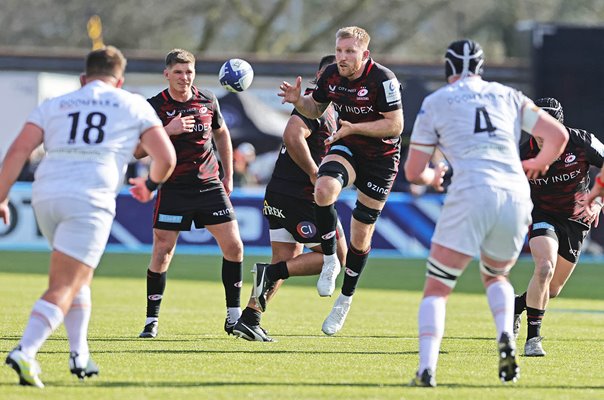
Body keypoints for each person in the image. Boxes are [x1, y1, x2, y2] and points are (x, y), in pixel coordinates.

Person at [0, 46, 176, 388]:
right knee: (65, 284)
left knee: (78, 275)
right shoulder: (132, 102)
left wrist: (1, 196)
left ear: (84, 78)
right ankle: (26, 349)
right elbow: (165, 157)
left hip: (45, 197)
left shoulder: (56, 103)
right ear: (120, 80)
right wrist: (150, 184)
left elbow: (18, 149)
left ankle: (79, 354)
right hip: (89, 198)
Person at [404, 39, 569, 387]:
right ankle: (504, 337)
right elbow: (557, 134)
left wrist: (434, 176)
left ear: (448, 68)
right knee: (496, 277)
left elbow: (413, 171)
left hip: (470, 190)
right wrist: (537, 163)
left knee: (437, 287)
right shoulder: (507, 94)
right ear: (481, 68)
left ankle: (426, 369)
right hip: (514, 193)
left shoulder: (436, 102)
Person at [278, 26, 404, 336]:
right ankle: (331, 258)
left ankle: (344, 300)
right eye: (339, 51)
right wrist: (298, 101)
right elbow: (315, 108)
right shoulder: (331, 75)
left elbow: (396, 125)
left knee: (360, 238)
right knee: (323, 189)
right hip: (347, 146)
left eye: (350, 52)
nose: (343, 57)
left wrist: (356, 129)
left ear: (365, 54)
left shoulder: (382, 79)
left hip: (381, 159)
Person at [233, 55, 347, 342]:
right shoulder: (315, 104)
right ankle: (269, 273)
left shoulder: (332, 109)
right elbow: (292, 135)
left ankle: (249, 319)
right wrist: (314, 173)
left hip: (283, 192)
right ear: (320, 76)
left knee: (287, 259)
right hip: (300, 196)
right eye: (332, 73)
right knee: (336, 256)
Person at [136, 49, 245, 339]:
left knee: (234, 247)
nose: (184, 78)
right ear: (167, 74)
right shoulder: (154, 106)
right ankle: (151, 321)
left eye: (189, 72)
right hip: (173, 187)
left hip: (209, 185)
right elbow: (136, 151)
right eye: (178, 72)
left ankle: (234, 318)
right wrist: (166, 130)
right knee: (162, 252)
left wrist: (228, 174)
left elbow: (221, 133)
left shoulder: (208, 100)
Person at [514, 97, 604, 356]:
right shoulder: (523, 152)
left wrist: (597, 201)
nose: (541, 137)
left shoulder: (582, 141)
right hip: (543, 215)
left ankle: (517, 305)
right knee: (544, 268)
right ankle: (533, 341)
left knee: (551, 290)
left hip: (576, 220)